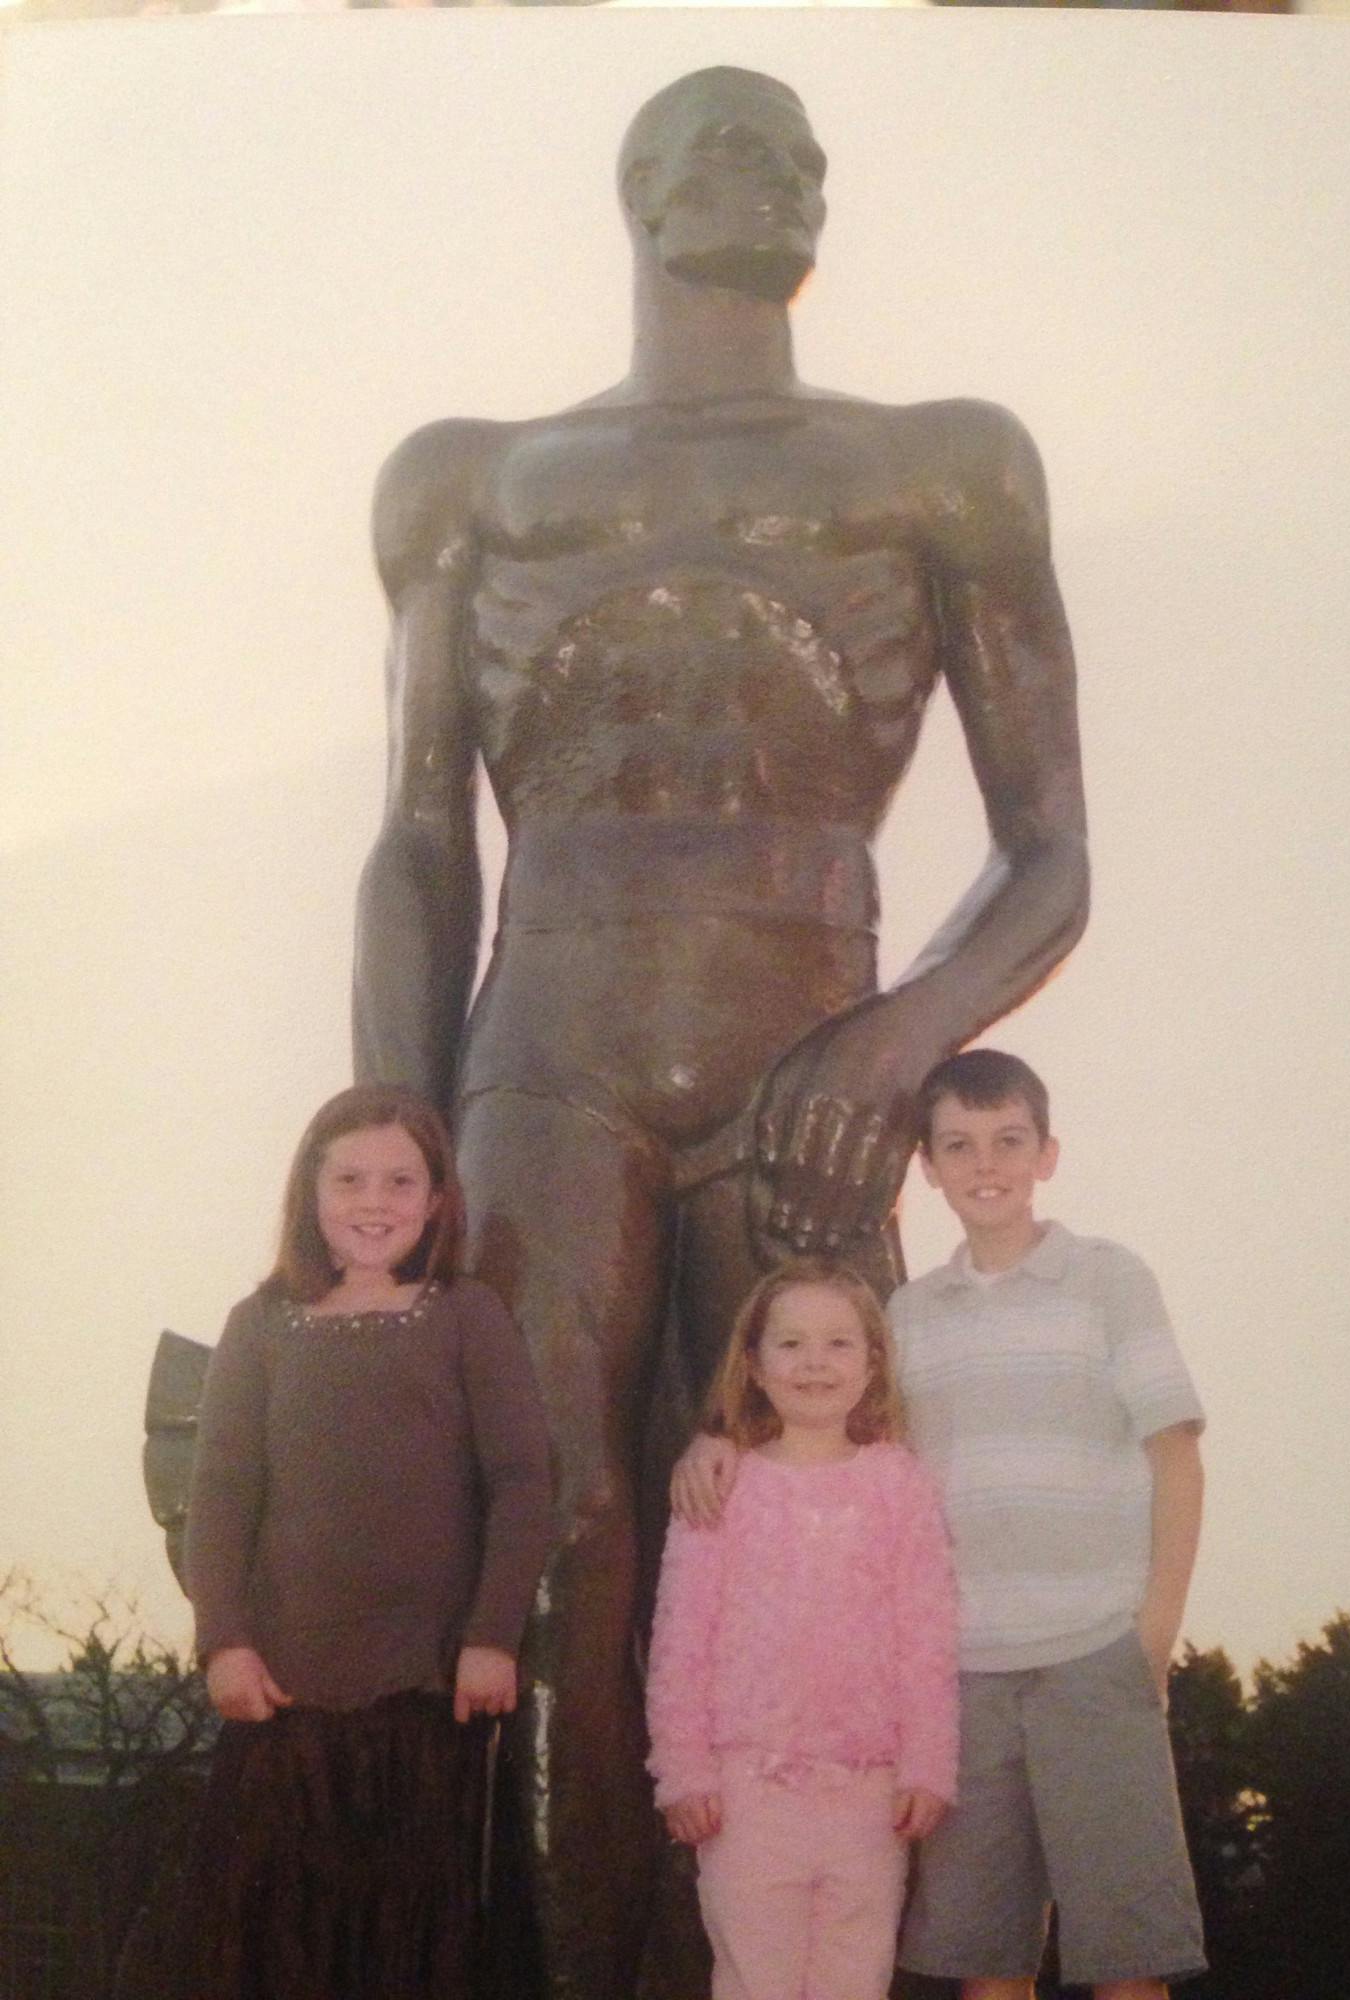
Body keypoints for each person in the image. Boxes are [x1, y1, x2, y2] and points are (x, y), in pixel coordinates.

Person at [352, 63, 1087, 1995]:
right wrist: (397, 1137)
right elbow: (421, 843)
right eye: (723, 144)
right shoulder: (476, 477)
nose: (774, 173)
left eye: (803, 151)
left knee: (799, 1515)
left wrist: (905, 1035)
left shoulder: (940, 462)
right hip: (551, 1055)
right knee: (565, 1525)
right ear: (637, 192)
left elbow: (1049, 860)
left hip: (808, 1068)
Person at [675, 1049, 1207, 1999]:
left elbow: (1176, 1453)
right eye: (957, 1145)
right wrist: (712, 1445)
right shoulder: (909, 1318)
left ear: (1048, 1153)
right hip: (962, 1676)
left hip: (1093, 1653)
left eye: (1009, 1141)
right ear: (925, 1166)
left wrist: (1154, 1630)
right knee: (983, 1959)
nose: (984, 1163)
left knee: (1128, 1959)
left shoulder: (1109, 1281)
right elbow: (827, 1430)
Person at [181, 1084, 552, 2000]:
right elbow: (221, 1498)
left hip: (429, 1701)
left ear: (435, 1201)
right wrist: (223, 1639)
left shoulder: (468, 1318)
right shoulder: (258, 1328)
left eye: (399, 1180)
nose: (373, 1202)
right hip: (284, 1704)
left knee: (415, 1958)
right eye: (349, 1179)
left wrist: (493, 1636)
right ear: (311, 1192)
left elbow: (522, 1485)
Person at [646, 1260, 958, 2000]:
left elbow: (927, 1633)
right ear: (753, 1366)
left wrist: (928, 1765)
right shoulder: (722, 1487)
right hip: (746, 1791)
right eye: (790, 1344)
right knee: (756, 1980)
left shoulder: (899, 1485)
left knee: (856, 1978)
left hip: (869, 1794)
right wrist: (682, 1770)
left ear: (873, 1362)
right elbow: (680, 1639)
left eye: (838, 1344)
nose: (814, 1362)